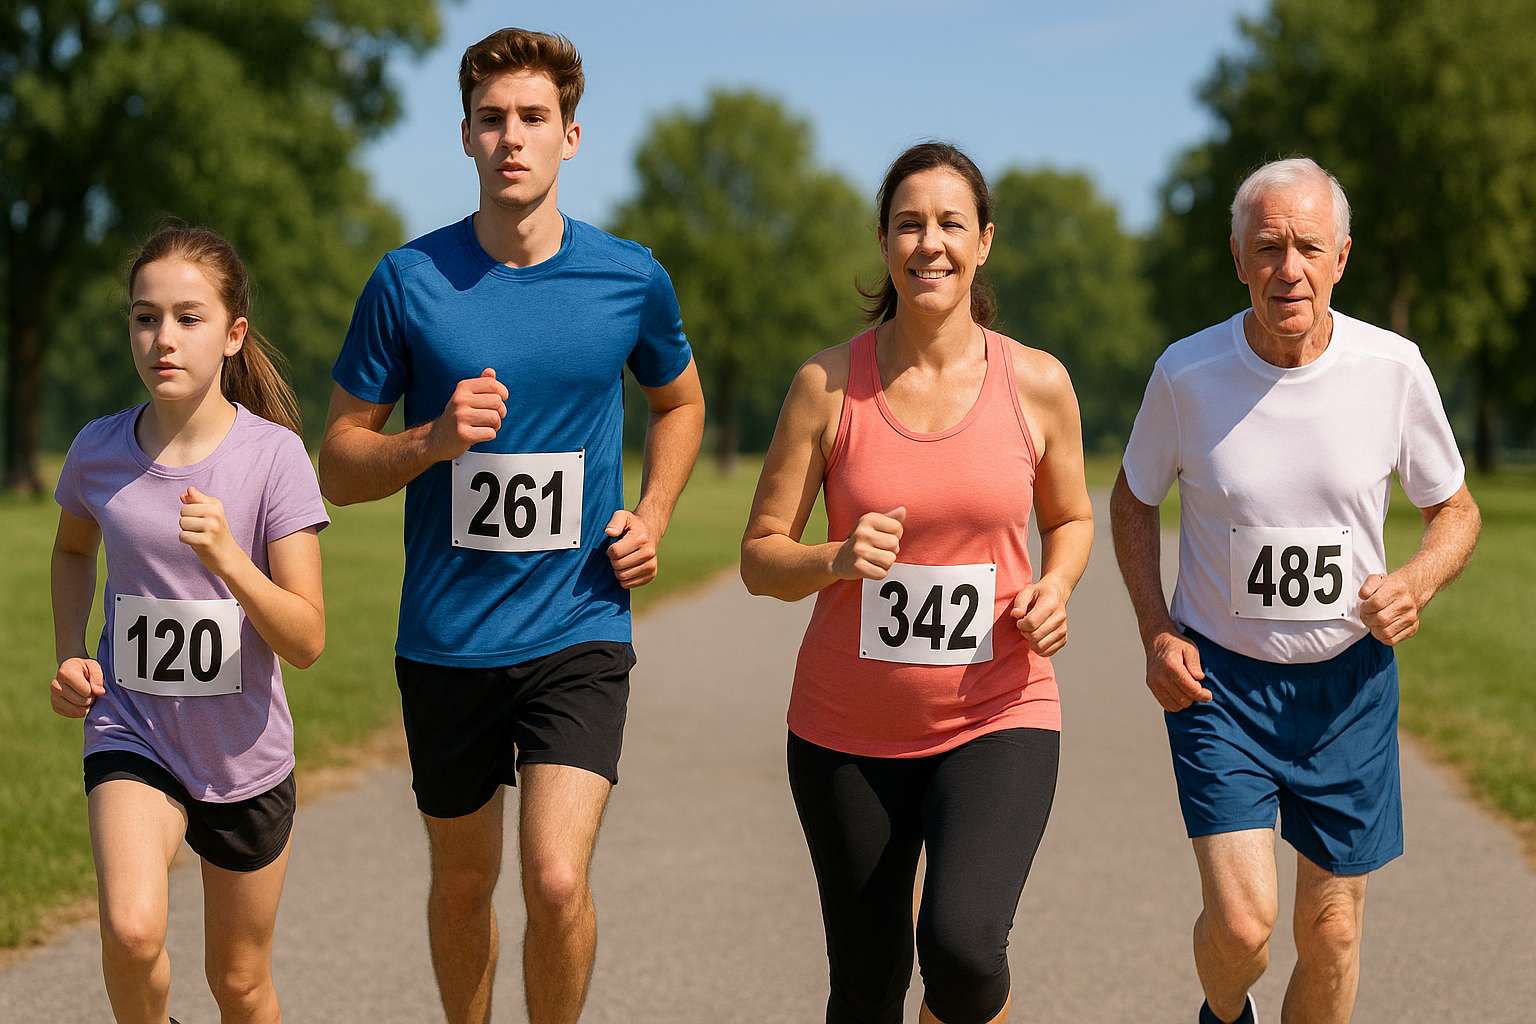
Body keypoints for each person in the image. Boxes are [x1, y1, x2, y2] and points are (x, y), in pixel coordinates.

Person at [317, 27, 704, 1024]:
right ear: (464, 138)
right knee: (461, 884)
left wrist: (651, 514)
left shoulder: (629, 278)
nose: (511, 138)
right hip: (446, 638)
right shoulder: (408, 281)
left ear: (571, 136)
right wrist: (430, 441)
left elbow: (681, 401)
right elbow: (339, 462)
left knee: (557, 882)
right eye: (492, 120)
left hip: (579, 621)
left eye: (533, 118)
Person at [1110, 157, 1481, 1024]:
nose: (1289, 269)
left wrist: (1416, 580)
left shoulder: (1392, 369)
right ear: (1237, 257)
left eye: (1308, 247)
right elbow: (1133, 501)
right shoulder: (1186, 374)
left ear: (1341, 258)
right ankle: (1223, 1014)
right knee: (1243, 928)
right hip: (1221, 685)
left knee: (1333, 934)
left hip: (1347, 687)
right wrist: (1155, 630)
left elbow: (1455, 512)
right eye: (1268, 246)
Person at [741, 142, 1094, 1024]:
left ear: (983, 244)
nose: (928, 243)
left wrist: (1056, 586)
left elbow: (1074, 518)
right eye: (908, 224)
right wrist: (835, 557)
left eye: (949, 224)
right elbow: (758, 555)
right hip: (846, 734)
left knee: (965, 952)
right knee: (866, 986)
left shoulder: (1039, 384)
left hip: (998, 713)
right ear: (884, 244)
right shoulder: (826, 386)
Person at [49, 225, 328, 1024]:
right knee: (132, 934)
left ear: (233, 334)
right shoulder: (97, 451)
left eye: (187, 317)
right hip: (132, 730)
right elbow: (72, 551)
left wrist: (234, 563)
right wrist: (72, 653)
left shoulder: (275, 458)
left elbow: (307, 640)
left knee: (239, 984)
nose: (162, 338)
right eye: (144, 317)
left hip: (245, 758)